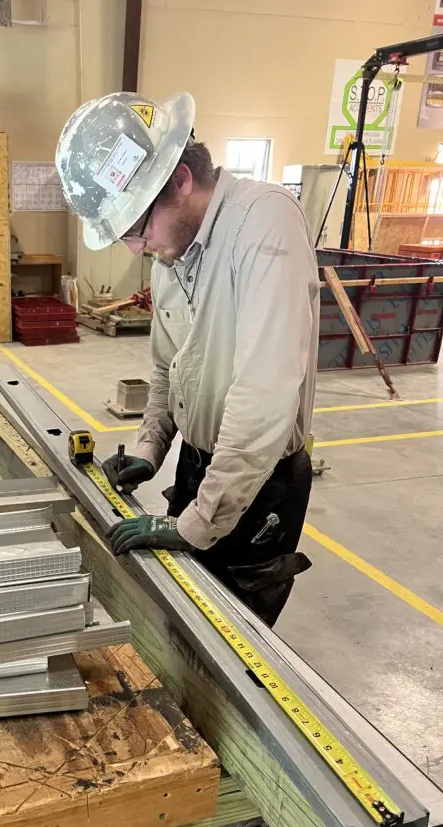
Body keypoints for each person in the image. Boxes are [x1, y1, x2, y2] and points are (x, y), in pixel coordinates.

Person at [55, 91, 319, 627]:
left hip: (261, 479)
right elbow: (167, 365)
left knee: (232, 643)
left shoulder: (265, 224)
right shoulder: (170, 249)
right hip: (200, 467)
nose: (134, 247)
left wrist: (198, 524)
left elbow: (264, 395)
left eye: (135, 226)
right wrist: (152, 447)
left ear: (179, 181)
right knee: (183, 617)